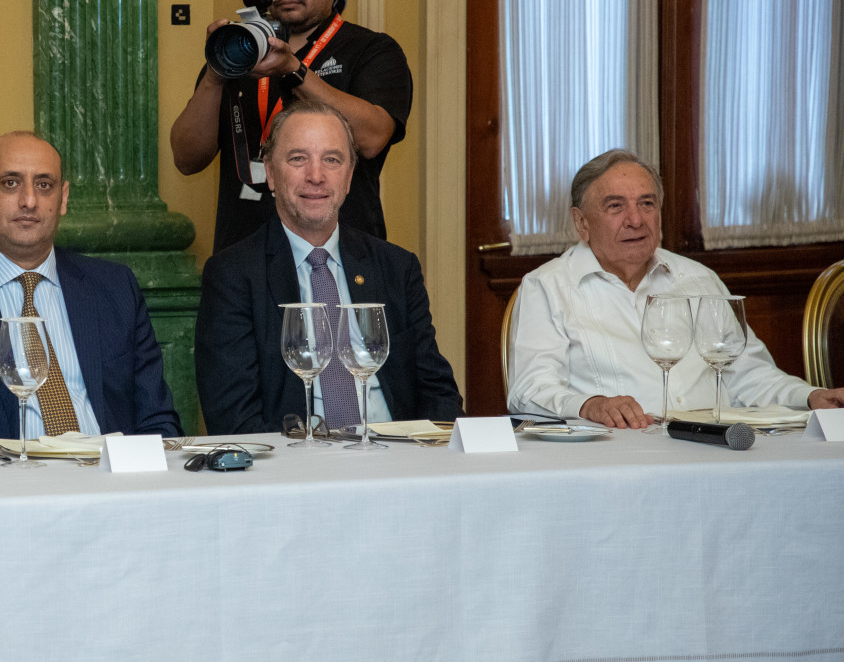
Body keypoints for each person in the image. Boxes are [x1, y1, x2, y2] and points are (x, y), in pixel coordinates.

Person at [0, 131, 181, 449]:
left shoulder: (115, 286)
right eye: (10, 183)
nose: (29, 201)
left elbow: (158, 421)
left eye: (44, 185)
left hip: (108, 471)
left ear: (63, 198)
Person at [507, 148, 844, 428]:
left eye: (647, 203)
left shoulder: (698, 279)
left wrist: (810, 396)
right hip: (619, 454)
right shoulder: (547, 287)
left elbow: (749, 374)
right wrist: (590, 405)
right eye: (615, 206)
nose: (635, 220)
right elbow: (530, 391)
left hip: (717, 447)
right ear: (581, 222)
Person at [195, 101, 462, 435]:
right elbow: (235, 421)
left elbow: (440, 396)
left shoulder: (396, 268)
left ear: (349, 177)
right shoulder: (233, 275)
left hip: (395, 452)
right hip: (297, 459)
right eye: (298, 158)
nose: (316, 176)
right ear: (271, 174)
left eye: (332, 160)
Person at [170, 0, 412, 254]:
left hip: (341, 256)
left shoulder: (372, 50)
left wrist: (293, 70)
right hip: (244, 259)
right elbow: (186, 159)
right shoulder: (239, 51)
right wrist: (215, 73)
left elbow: (372, 139)